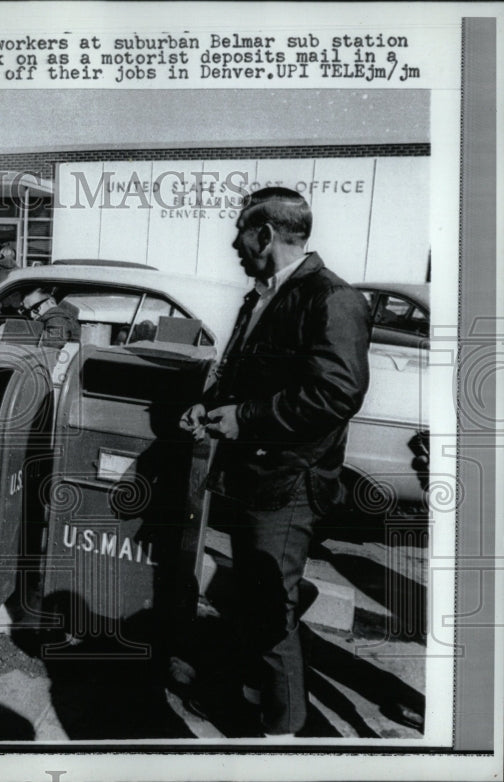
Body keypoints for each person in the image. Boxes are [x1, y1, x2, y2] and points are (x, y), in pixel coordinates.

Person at [178, 187, 371, 737]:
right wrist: (211, 407)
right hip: (252, 476)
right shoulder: (261, 295)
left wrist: (249, 419)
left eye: (240, 230)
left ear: (264, 234)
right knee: (257, 599)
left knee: (270, 612)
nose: (233, 242)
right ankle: (250, 698)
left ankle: (282, 736)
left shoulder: (330, 298)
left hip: (288, 484)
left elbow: (337, 394)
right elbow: (243, 375)